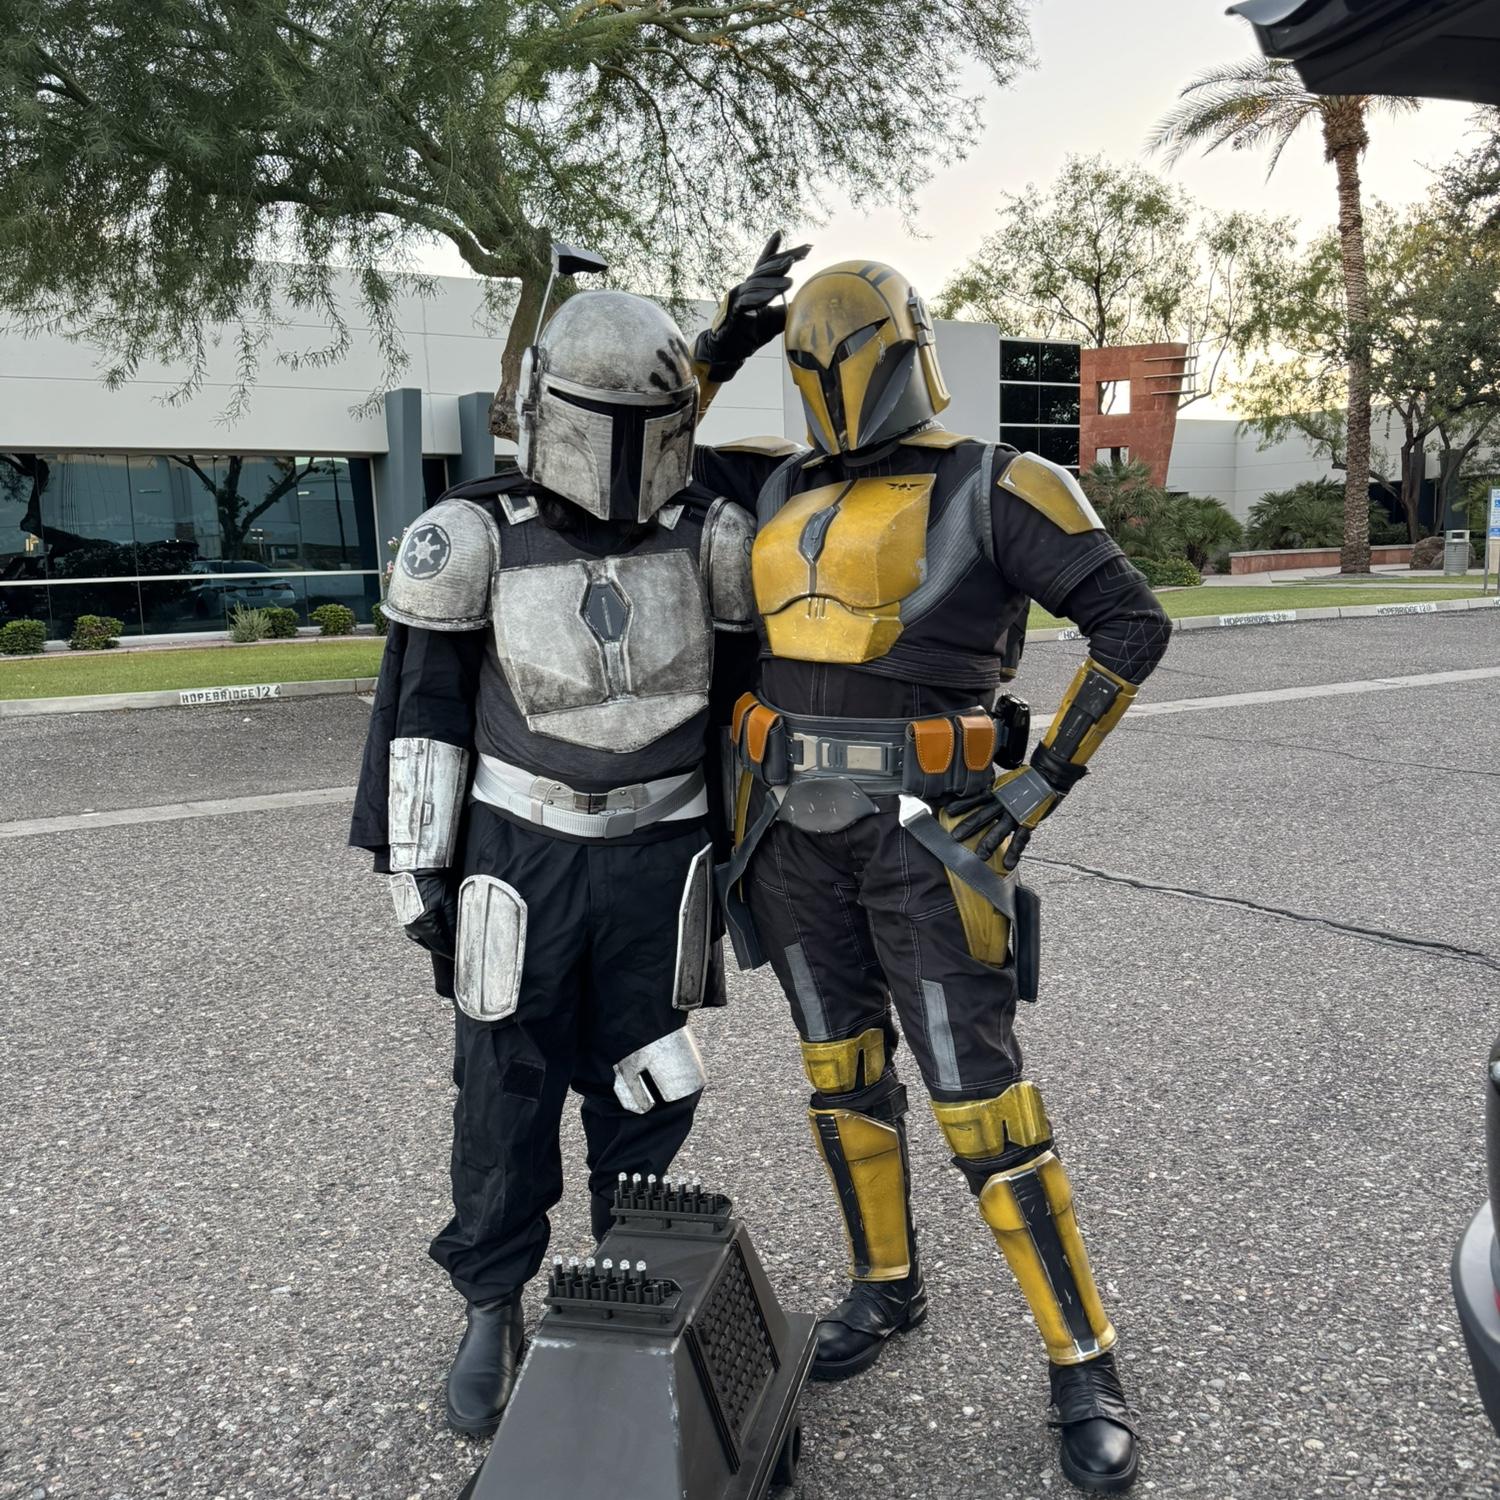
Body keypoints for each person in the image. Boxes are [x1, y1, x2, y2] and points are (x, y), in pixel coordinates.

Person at [707, 259, 1173, 1494]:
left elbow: (1132, 624)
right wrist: (715, 349)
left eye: (843, 351)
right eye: (803, 359)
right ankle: (884, 1286)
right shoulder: (773, 483)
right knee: (840, 1073)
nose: (828, 376)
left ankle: (1083, 1359)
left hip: (924, 832)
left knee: (982, 1101)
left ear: (905, 351)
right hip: (787, 831)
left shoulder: (1001, 483)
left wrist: (1036, 789)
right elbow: (639, 463)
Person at [348, 242, 804, 1438]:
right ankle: (491, 1299)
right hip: (521, 858)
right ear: (542, 406)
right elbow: (422, 711)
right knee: (502, 1088)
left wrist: (758, 863)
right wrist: (418, 872)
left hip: (664, 860)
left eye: (651, 423)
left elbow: (744, 712)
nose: (623, 449)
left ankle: (630, 1275)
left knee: (649, 1074)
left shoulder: (715, 532)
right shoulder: (470, 537)